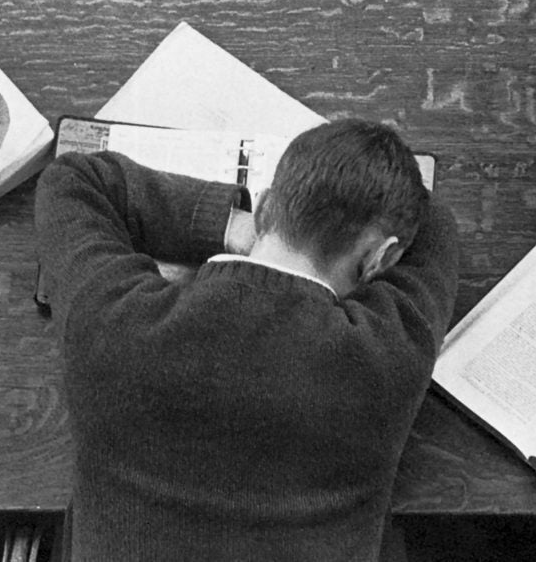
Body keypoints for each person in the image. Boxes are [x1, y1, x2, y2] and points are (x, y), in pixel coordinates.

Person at [35, 118, 459, 561]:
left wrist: (224, 222)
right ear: (381, 257)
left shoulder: (113, 326)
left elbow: (72, 181)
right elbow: (437, 226)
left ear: (265, 210)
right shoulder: (389, 357)